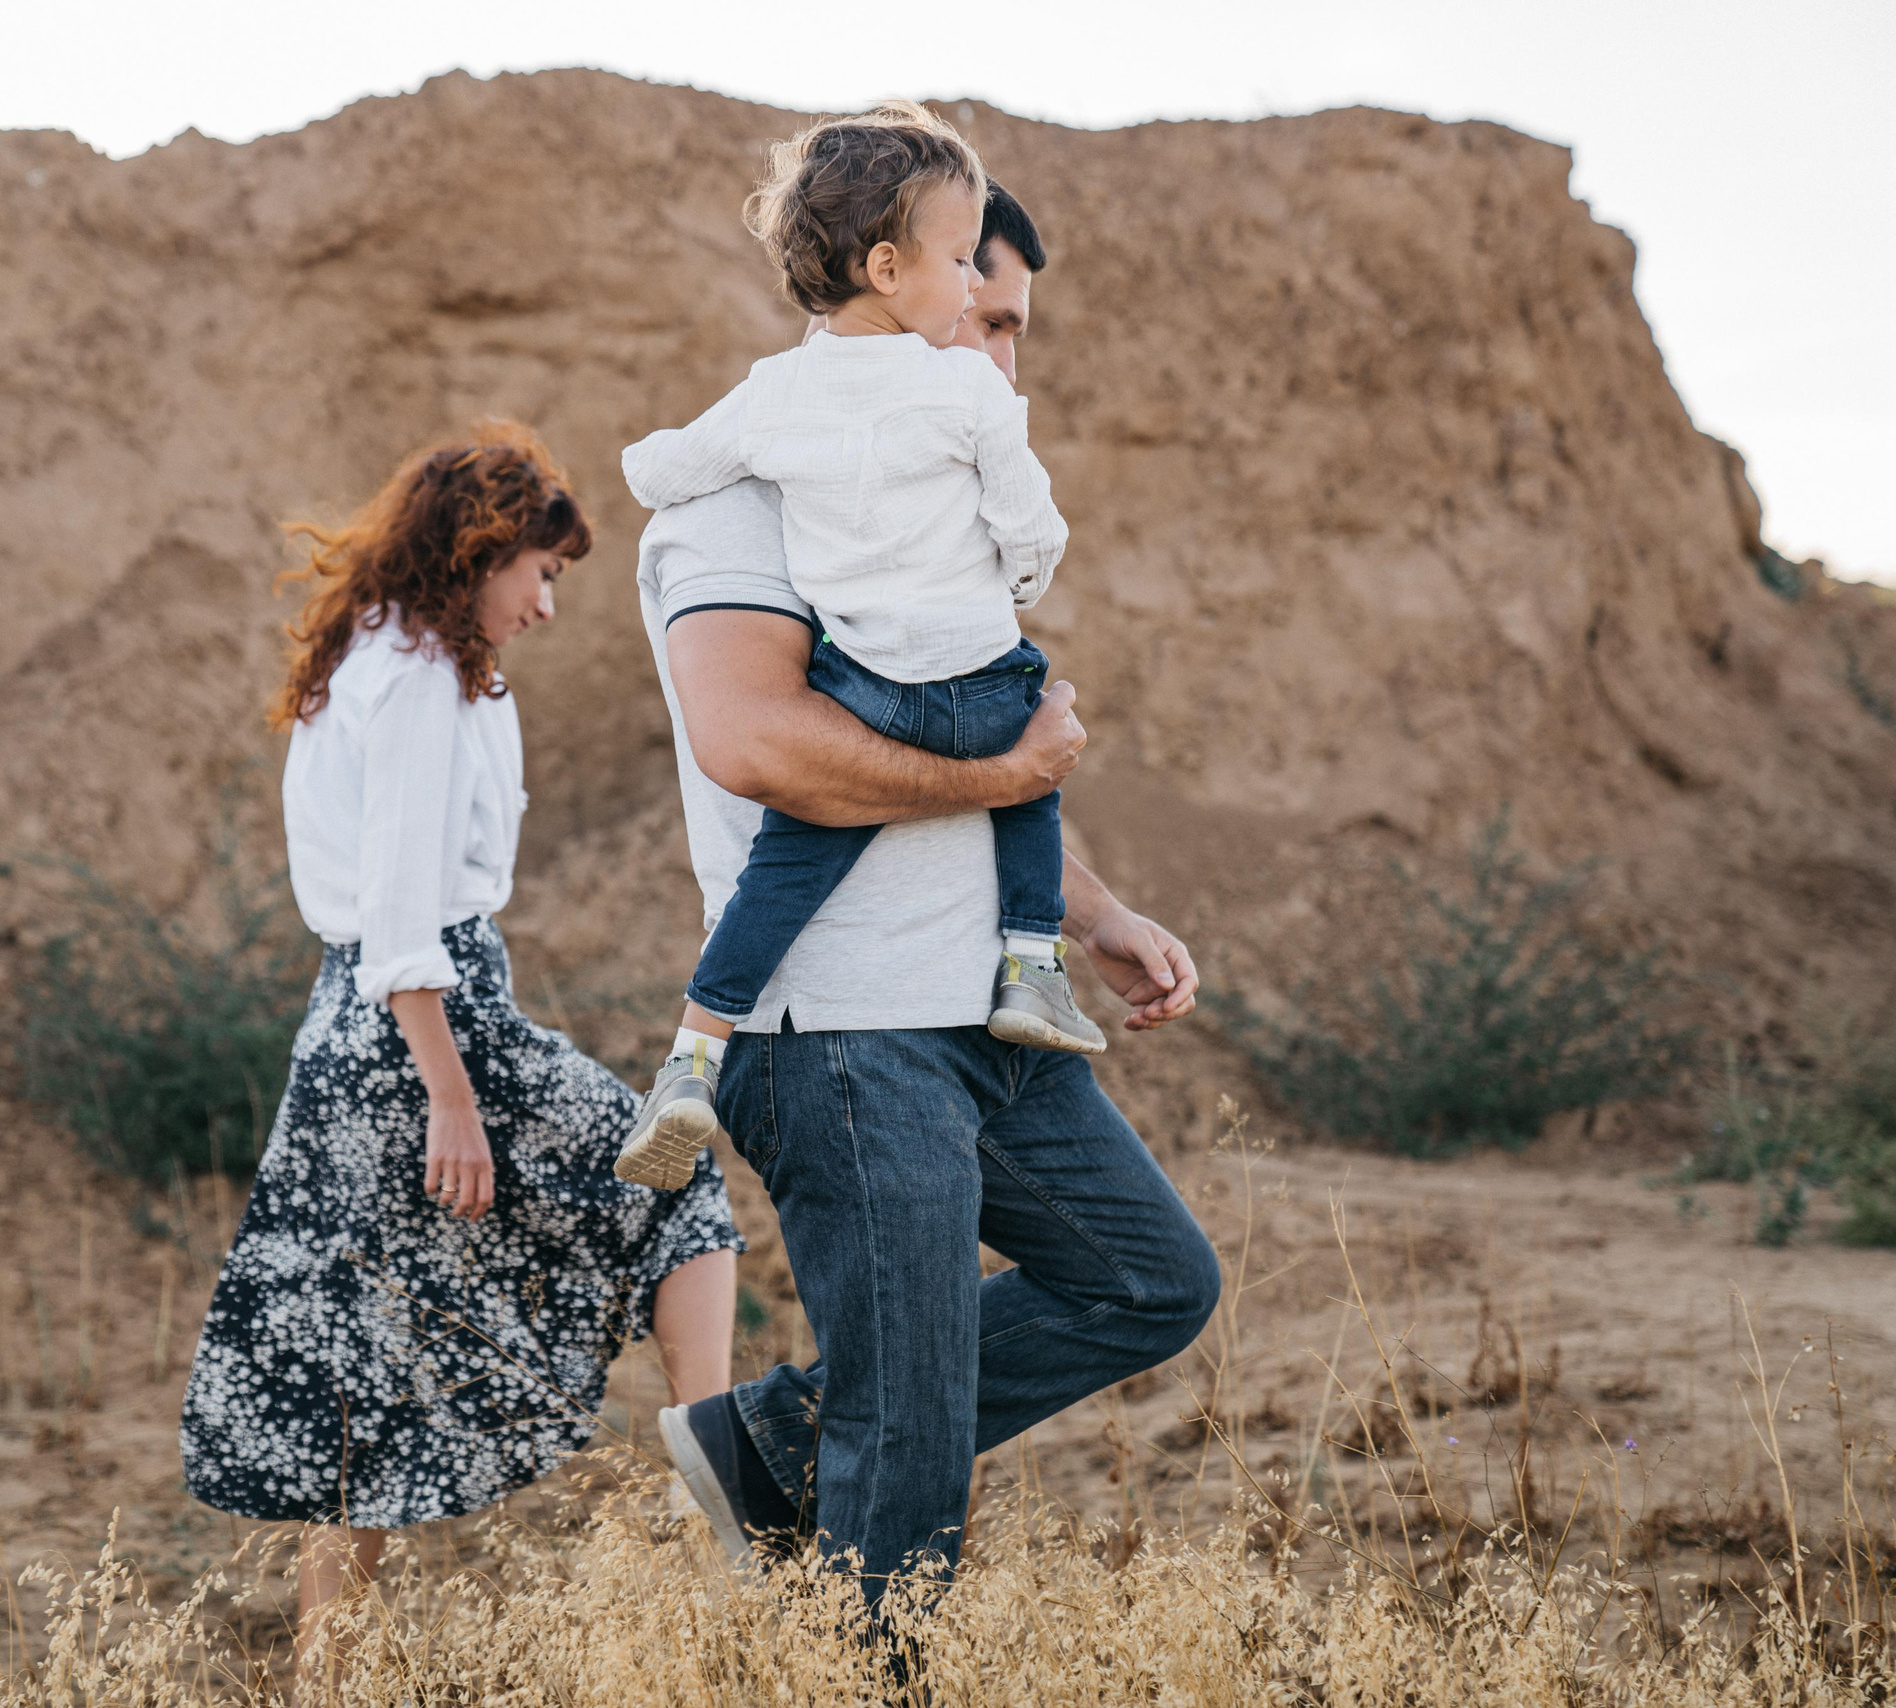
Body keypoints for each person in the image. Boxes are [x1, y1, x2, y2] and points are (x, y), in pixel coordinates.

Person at [636, 180, 1223, 1612]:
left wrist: (1095, 913)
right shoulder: (745, 499)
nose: (1003, 358)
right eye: (986, 314)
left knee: (1149, 1282)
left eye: (1016, 327)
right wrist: (1008, 768)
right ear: (895, 285)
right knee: (902, 1471)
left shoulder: (934, 492)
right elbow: (758, 744)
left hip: (986, 1017)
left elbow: (962, 759)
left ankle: (775, 1441)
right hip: (842, 1030)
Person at [178, 423, 743, 1698]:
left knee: (362, 1364)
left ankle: (326, 1676)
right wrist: (451, 1096)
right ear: (477, 555)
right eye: (538, 573)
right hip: (425, 1025)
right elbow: (401, 919)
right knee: (675, 1182)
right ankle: (717, 1466)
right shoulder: (422, 677)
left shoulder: (374, 653)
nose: (546, 604)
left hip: (347, 1032)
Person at [617, 102, 1093, 1194]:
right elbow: (1033, 530)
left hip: (866, 696)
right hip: (857, 1010)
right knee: (1035, 740)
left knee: (786, 866)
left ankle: (690, 1056)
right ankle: (1033, 962)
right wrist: (1020, 585)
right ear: (888, 267)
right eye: (965, 271)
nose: (974, 304)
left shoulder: (771, 400)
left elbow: (661, 467)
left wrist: (659, 460)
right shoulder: (961, 393)